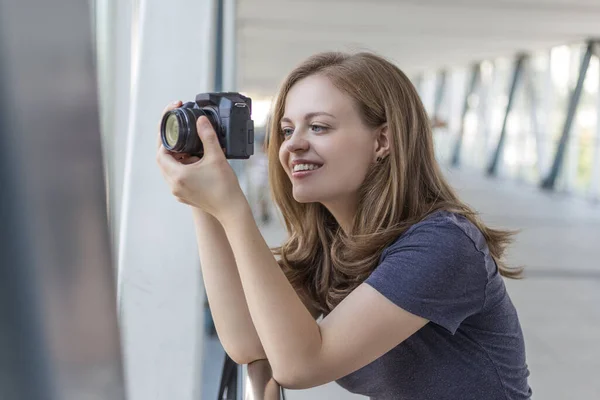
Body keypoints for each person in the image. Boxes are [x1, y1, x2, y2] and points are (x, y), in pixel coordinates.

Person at [156, 52, 532, 399]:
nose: (292, 146)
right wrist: (203, 204)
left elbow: (300, 365)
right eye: (287, 131)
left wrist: (234, 209)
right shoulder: (333, 245)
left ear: (382, 140)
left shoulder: (443, 245)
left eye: (318, 127)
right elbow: (248, 342)